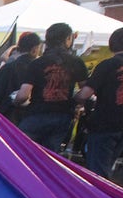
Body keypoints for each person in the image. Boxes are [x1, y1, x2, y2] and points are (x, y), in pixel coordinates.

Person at [77, 27, 123, 178]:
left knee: (98, 170)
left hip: (105, 122)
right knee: (108, 164)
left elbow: (86, 93)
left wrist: (75, 99)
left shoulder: (107, 65)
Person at [15, 22, 88, 153]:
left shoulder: (37, 63)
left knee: (20, 151)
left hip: (36, 114)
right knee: (49, 157)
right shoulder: (77, 62)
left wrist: (15, 101)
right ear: (68, 39)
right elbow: (85, 92)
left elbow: (24, 95)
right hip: (63, 116)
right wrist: (74, 100)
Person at [0, 32, 42, 123]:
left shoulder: (8, 67)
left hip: (4, 117)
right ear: (34, 49)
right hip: (28, 119)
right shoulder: (40, 70)